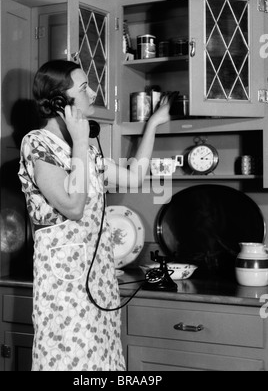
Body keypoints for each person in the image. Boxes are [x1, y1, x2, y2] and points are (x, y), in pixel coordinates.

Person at [18, 60, 173, 371]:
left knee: (104, 361)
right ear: (60, 101)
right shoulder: (36, 143)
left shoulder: (88, 152)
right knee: (71, 361)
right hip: (65, 284)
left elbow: (135, 177)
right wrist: (78, 140)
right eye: (84, 88)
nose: (92, 93)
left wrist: (153, 124)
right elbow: (73, 206)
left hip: (99, 276)